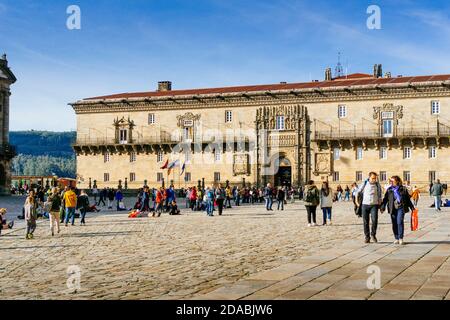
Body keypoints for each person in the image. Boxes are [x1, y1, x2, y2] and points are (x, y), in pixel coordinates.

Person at [381, 176, 415, 245]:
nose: (391, 182)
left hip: (401, 207)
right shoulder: (389, 190)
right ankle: (396, 238)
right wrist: (383, 207)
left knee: (399, 222)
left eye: (393, 181)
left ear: (397, 181)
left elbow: (408, 199)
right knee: (394, 223)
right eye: (391, 181)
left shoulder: (403, 189)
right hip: (392, 208)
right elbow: (385, 199)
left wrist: (412, 208)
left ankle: (400, 238)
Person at [356, 172, 383, 244]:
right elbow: (357, 192)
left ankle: (373, 235)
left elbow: (380, 195)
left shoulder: (377, 184)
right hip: (365, 205)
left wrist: (380, 204)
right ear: (369, 177)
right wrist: (356, 202)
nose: (374, 179)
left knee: (374, 220)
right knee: (365, 222)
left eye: (375, 178)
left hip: (374, 205)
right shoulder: (364, 183)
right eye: (373, 178)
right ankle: (367, 237)